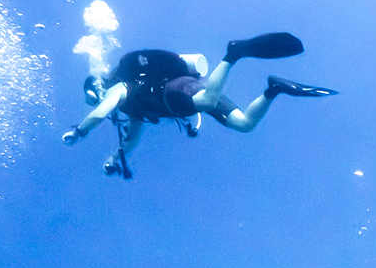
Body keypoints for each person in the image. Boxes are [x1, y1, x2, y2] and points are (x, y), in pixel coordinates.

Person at [62, 32, 336, 179]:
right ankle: (274, 88)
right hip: (185, 96)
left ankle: (234, 53)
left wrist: (79, 131)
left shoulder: (118, 88)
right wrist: (114, 158)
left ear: (98, 88)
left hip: (176, 90)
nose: (98, 101)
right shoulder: (131, 109)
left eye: (94, 97)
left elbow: (99, 113)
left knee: (206, 100)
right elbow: (132, 138)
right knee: (244, 124)